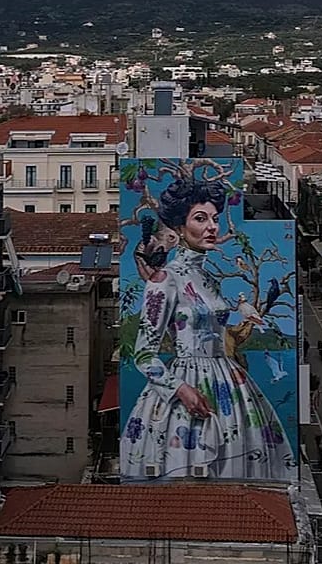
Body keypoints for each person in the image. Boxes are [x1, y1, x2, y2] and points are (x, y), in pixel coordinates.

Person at [122, 176, 295, 481]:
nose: (212, 227)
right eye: (200, 219)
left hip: (228, 382)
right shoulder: (164, 280)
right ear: (178, 227)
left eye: (214, 219)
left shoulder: (211, 280)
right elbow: (143, 354)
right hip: (184, 387)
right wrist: (181, 389)